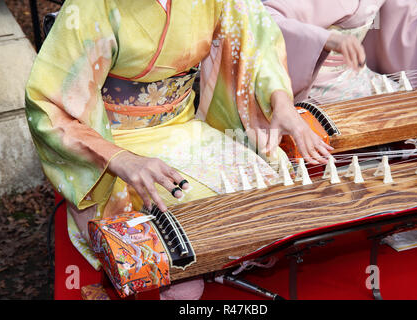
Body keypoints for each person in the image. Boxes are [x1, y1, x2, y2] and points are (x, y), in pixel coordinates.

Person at [25, 0, 332, 299]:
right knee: (191, 217)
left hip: (184, 127)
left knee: (268, 186)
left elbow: (256, 39)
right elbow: (48, 104)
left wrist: (280, 102)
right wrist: (119, 159)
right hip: (116, 140)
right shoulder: (91, 5)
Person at [263, 0, 417, 104]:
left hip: (357, 74)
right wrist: (325, 39)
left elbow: (411, 19)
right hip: (313, 81)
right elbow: (264, 19)